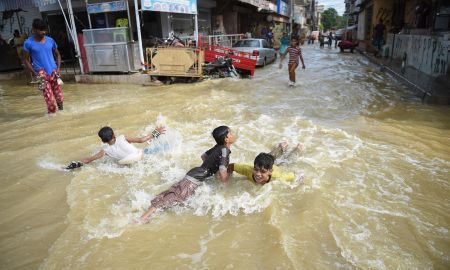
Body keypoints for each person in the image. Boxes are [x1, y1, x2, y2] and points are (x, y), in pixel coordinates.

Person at [139, 126, 236, 223]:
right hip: (193, 180)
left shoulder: (218, 146)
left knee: (170, 194)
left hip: (194, 174)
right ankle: (142, 218)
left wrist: (210, 168)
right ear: (226, 139)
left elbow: (204, 156)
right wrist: (229, 175)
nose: (233, 135)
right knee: (173, 198)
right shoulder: (225, 150)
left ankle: (140, 208)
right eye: (230, 133)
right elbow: (223, 176)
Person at [65, 126, 166, 169]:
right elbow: (141, 140)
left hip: (128, 163)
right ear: (114, 135)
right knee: (161, 147)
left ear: (103, 141)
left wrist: (77, 163)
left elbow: (89, 159)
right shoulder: (122, 138)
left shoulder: (105, 150)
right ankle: (161, 140)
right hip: (142, 156)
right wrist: (156, 132)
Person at [23, 19, 63, 114]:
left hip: (53, 72)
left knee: (60, 99)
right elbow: (26, 60)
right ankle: (52, 119)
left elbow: (58, 55)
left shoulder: (50, 40)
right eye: (41, 30)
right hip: (41, 75)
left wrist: (58, 69)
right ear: (34, 30)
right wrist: (35, 73)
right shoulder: (28, 43)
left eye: (44, 30)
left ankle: (62, 116)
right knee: (51, 103)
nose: (43, 32)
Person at [228, 142, 303, 185]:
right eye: (256, 169)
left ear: (270, 172)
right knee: (269, 156)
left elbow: (297, 175)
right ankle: (280, 146)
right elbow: (231, 166)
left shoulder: (278, 177)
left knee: (287, 160)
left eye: (263, 171)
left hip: (277, 168)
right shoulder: (248, 169)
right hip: (266, 164)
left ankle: (297, 149)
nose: (257, 174)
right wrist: (227, 178)